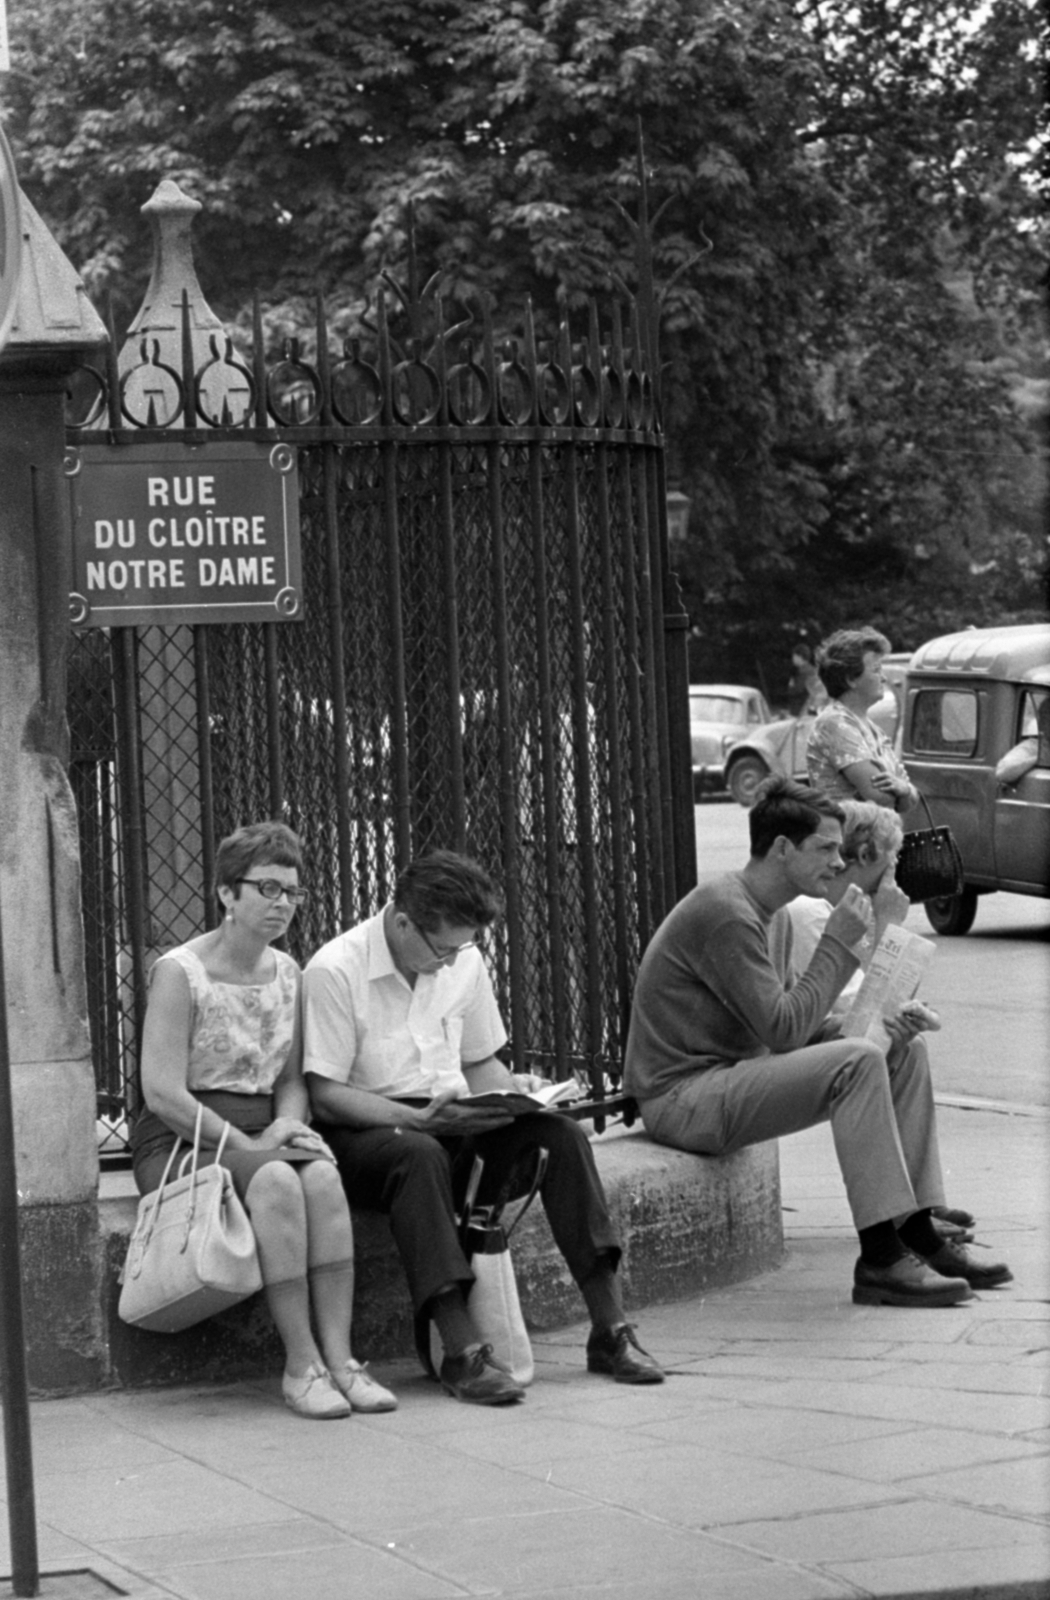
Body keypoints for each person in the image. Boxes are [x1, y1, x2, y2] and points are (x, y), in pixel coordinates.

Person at [623, 777, 1012, 1306]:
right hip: (682, 1099)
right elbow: (782, 1029)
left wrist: (884, 1029)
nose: (837, 862)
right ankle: (881, 1258)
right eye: (825, 848)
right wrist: (840, 942)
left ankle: (918, 1229)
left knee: (903, 1051)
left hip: (729, 1079)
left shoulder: (770, 912)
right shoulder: (726, 912)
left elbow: (793, 1028)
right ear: (782, 848)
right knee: (856, 1061)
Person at [301, 849, 665, 1406]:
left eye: (460, 948)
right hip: (371, 1128)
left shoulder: (463, 962)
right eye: (441, 948)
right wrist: (414, 1118)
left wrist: (517, 1096)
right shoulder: (335, 969)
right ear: (402, 923)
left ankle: (610, 1327)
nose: (450, 962)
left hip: (450, 1115)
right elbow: (324, 1094)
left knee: (560, 1138)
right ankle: (461, 1350)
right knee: (417, 1154)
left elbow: (477, 1063)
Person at [133, 821, 397, 1421]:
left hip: (262, 1129)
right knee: (277, 1181)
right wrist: (250, 1145)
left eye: (293, 893)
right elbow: (163, 1093)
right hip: (184, 1135)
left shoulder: (288, 972)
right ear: (227, 894)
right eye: (268, 889)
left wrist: (287, 1128)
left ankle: (342, 1360)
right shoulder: (180, 972)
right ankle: (299, 1366)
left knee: (323, 1177)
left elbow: (290, 1080)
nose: (283, 905)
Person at [772, 799, 995, 1253]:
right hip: (801, 1048)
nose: (896, 875)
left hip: (829, 1032)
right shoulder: (813, 914)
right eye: (892, 861)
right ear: (870, 856)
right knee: (885, 1049)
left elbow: (877, 1003)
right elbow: (862, 1016)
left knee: (907, 1047)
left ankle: (921, 1205)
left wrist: (912, 1013)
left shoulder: (850, 909)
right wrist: (890, 927)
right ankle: (901, 1214)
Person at [807, 626, 919, 811]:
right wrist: (904, 790)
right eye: (876, 670)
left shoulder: (874, 729)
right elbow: (881, 797)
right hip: (849, 838)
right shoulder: (834, 723)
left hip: (877, 837)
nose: (883, 678)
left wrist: (904, 789)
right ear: (851, 679)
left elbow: (909, 802)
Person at [995, 695, 1050, 786]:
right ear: (1042, 723)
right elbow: (1002, 772)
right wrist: (1038, 759)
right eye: (1047, 719)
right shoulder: (1033, 747)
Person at [788, 641, 829, 717]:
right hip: (802, 709)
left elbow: (798, 690)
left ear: (800, 656)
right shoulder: (804, 670)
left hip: (802, 710)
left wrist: (791, 686)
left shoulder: (807, 672)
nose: (792, 659)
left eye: (794, 656)